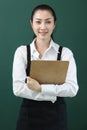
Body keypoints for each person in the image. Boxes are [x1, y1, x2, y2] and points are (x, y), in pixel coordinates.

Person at [12, 4, 79, 130]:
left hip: (57, 118)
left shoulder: (65, 53)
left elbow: (72, 89)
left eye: (48, 22)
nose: (43, 27)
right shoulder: (22, 52)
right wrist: (52, 93)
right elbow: (18, 89)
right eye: (38, 22)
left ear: (54, 24)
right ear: (31, 23)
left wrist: (40, 88)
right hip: (28, 119)